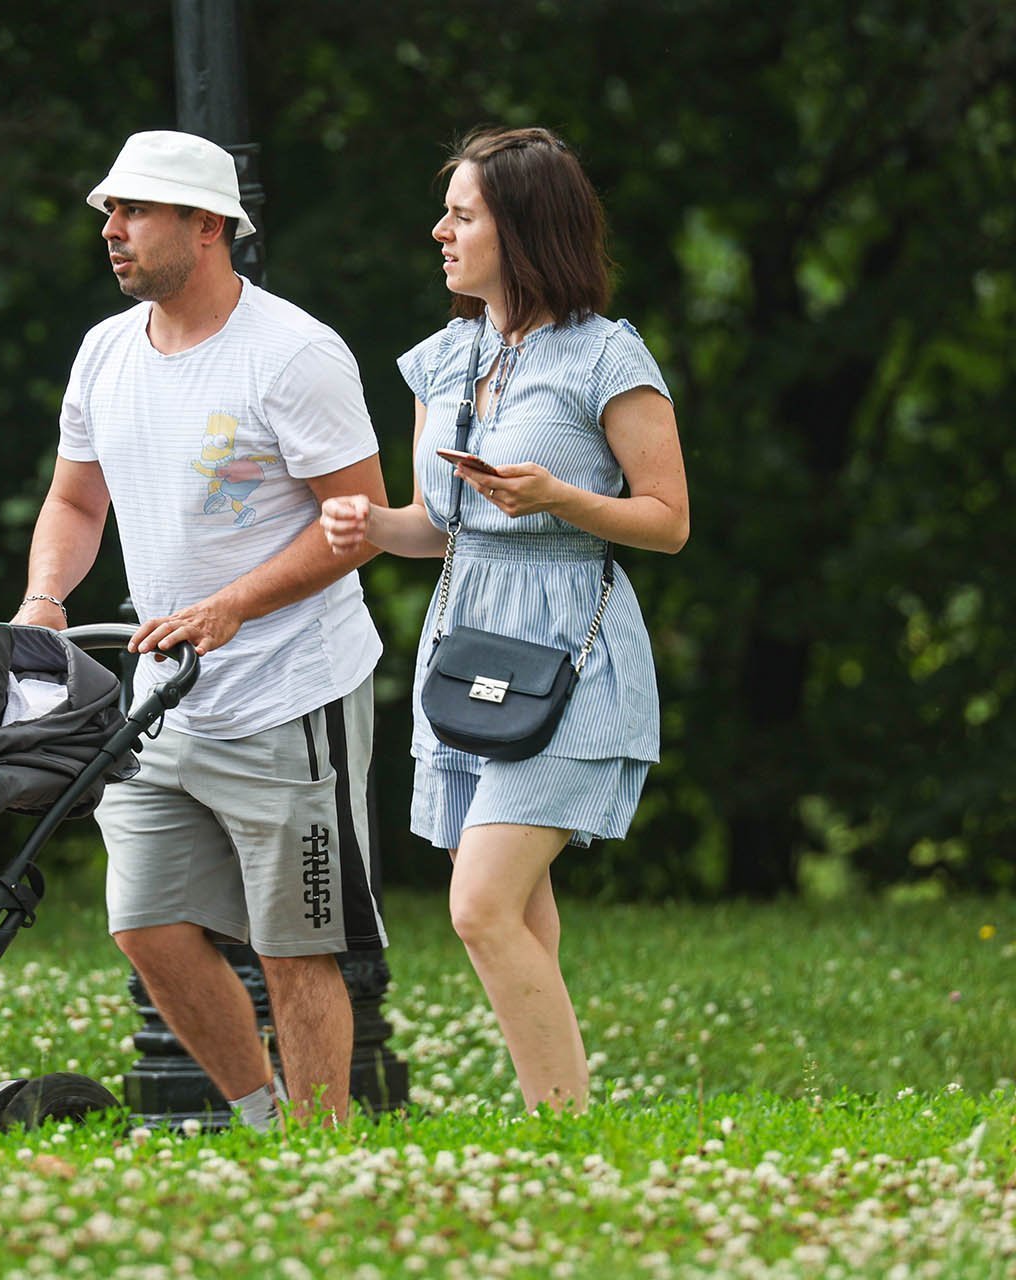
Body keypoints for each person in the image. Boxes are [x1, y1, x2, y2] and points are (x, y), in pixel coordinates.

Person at [13, 130, 390, 1126]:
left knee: (296, 943)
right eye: (108, 211)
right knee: (146, 924)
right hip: (164, 700)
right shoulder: (104, 353)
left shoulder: (295, 354)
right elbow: (75, 504)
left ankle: (317, 1146)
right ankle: (261, 1116)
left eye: (133, 209)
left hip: (291, 688)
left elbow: (356, 526)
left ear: (209, 224)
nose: (111, 229)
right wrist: (45, 600)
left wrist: (233, 605)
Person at [321, 126, 690, 1112]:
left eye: (463, 213)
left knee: (480, 902)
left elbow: (669, 521)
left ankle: (566, 1117)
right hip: (471, 639)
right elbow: (437, 526)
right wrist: (371, 526)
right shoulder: (443, 358)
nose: (438, 229)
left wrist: (560, 496)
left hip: (572, 649)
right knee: (519, 905)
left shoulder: (607, 355)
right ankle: (554, 1119)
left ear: (522, 227)